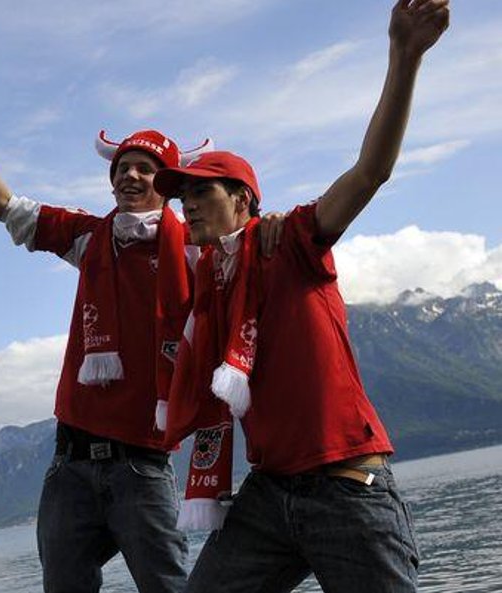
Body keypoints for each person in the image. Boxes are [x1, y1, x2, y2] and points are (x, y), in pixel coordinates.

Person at [152, 1, 450, 592]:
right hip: (271, 491)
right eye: (180, 194)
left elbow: (370, 172)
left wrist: (404, 57)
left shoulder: (291, 240)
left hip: (346, 486)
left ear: (242, 200)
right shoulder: (210, 285)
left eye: (200, 190)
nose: (185, 202)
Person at [0, 117, 196, 593]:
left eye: (144, 169)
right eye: (121, 169)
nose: (129, 177)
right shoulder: (90, 238)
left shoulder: (196, 250)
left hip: (143, 463)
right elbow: (6, 208)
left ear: (169, 183)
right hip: (70, 464)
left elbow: (247, 247)